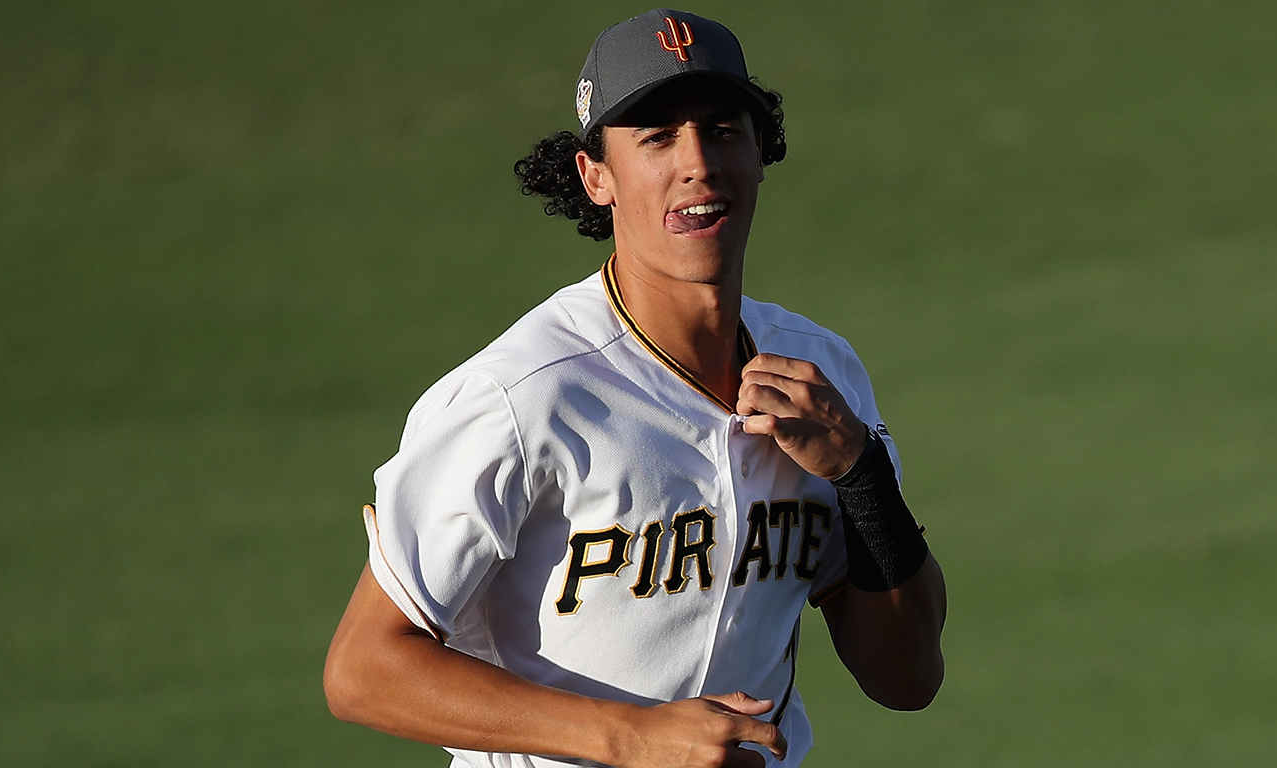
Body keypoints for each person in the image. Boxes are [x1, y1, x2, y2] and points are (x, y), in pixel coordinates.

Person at [324, 9, 946, 768]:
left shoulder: (823, 372)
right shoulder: (523, 397)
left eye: (723, 130)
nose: (698, 163)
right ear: (597, 177)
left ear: (760, 151)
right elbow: (362, 670)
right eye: (656, 137)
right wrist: (630, 736)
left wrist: (859, 471)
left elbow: (908, 678)